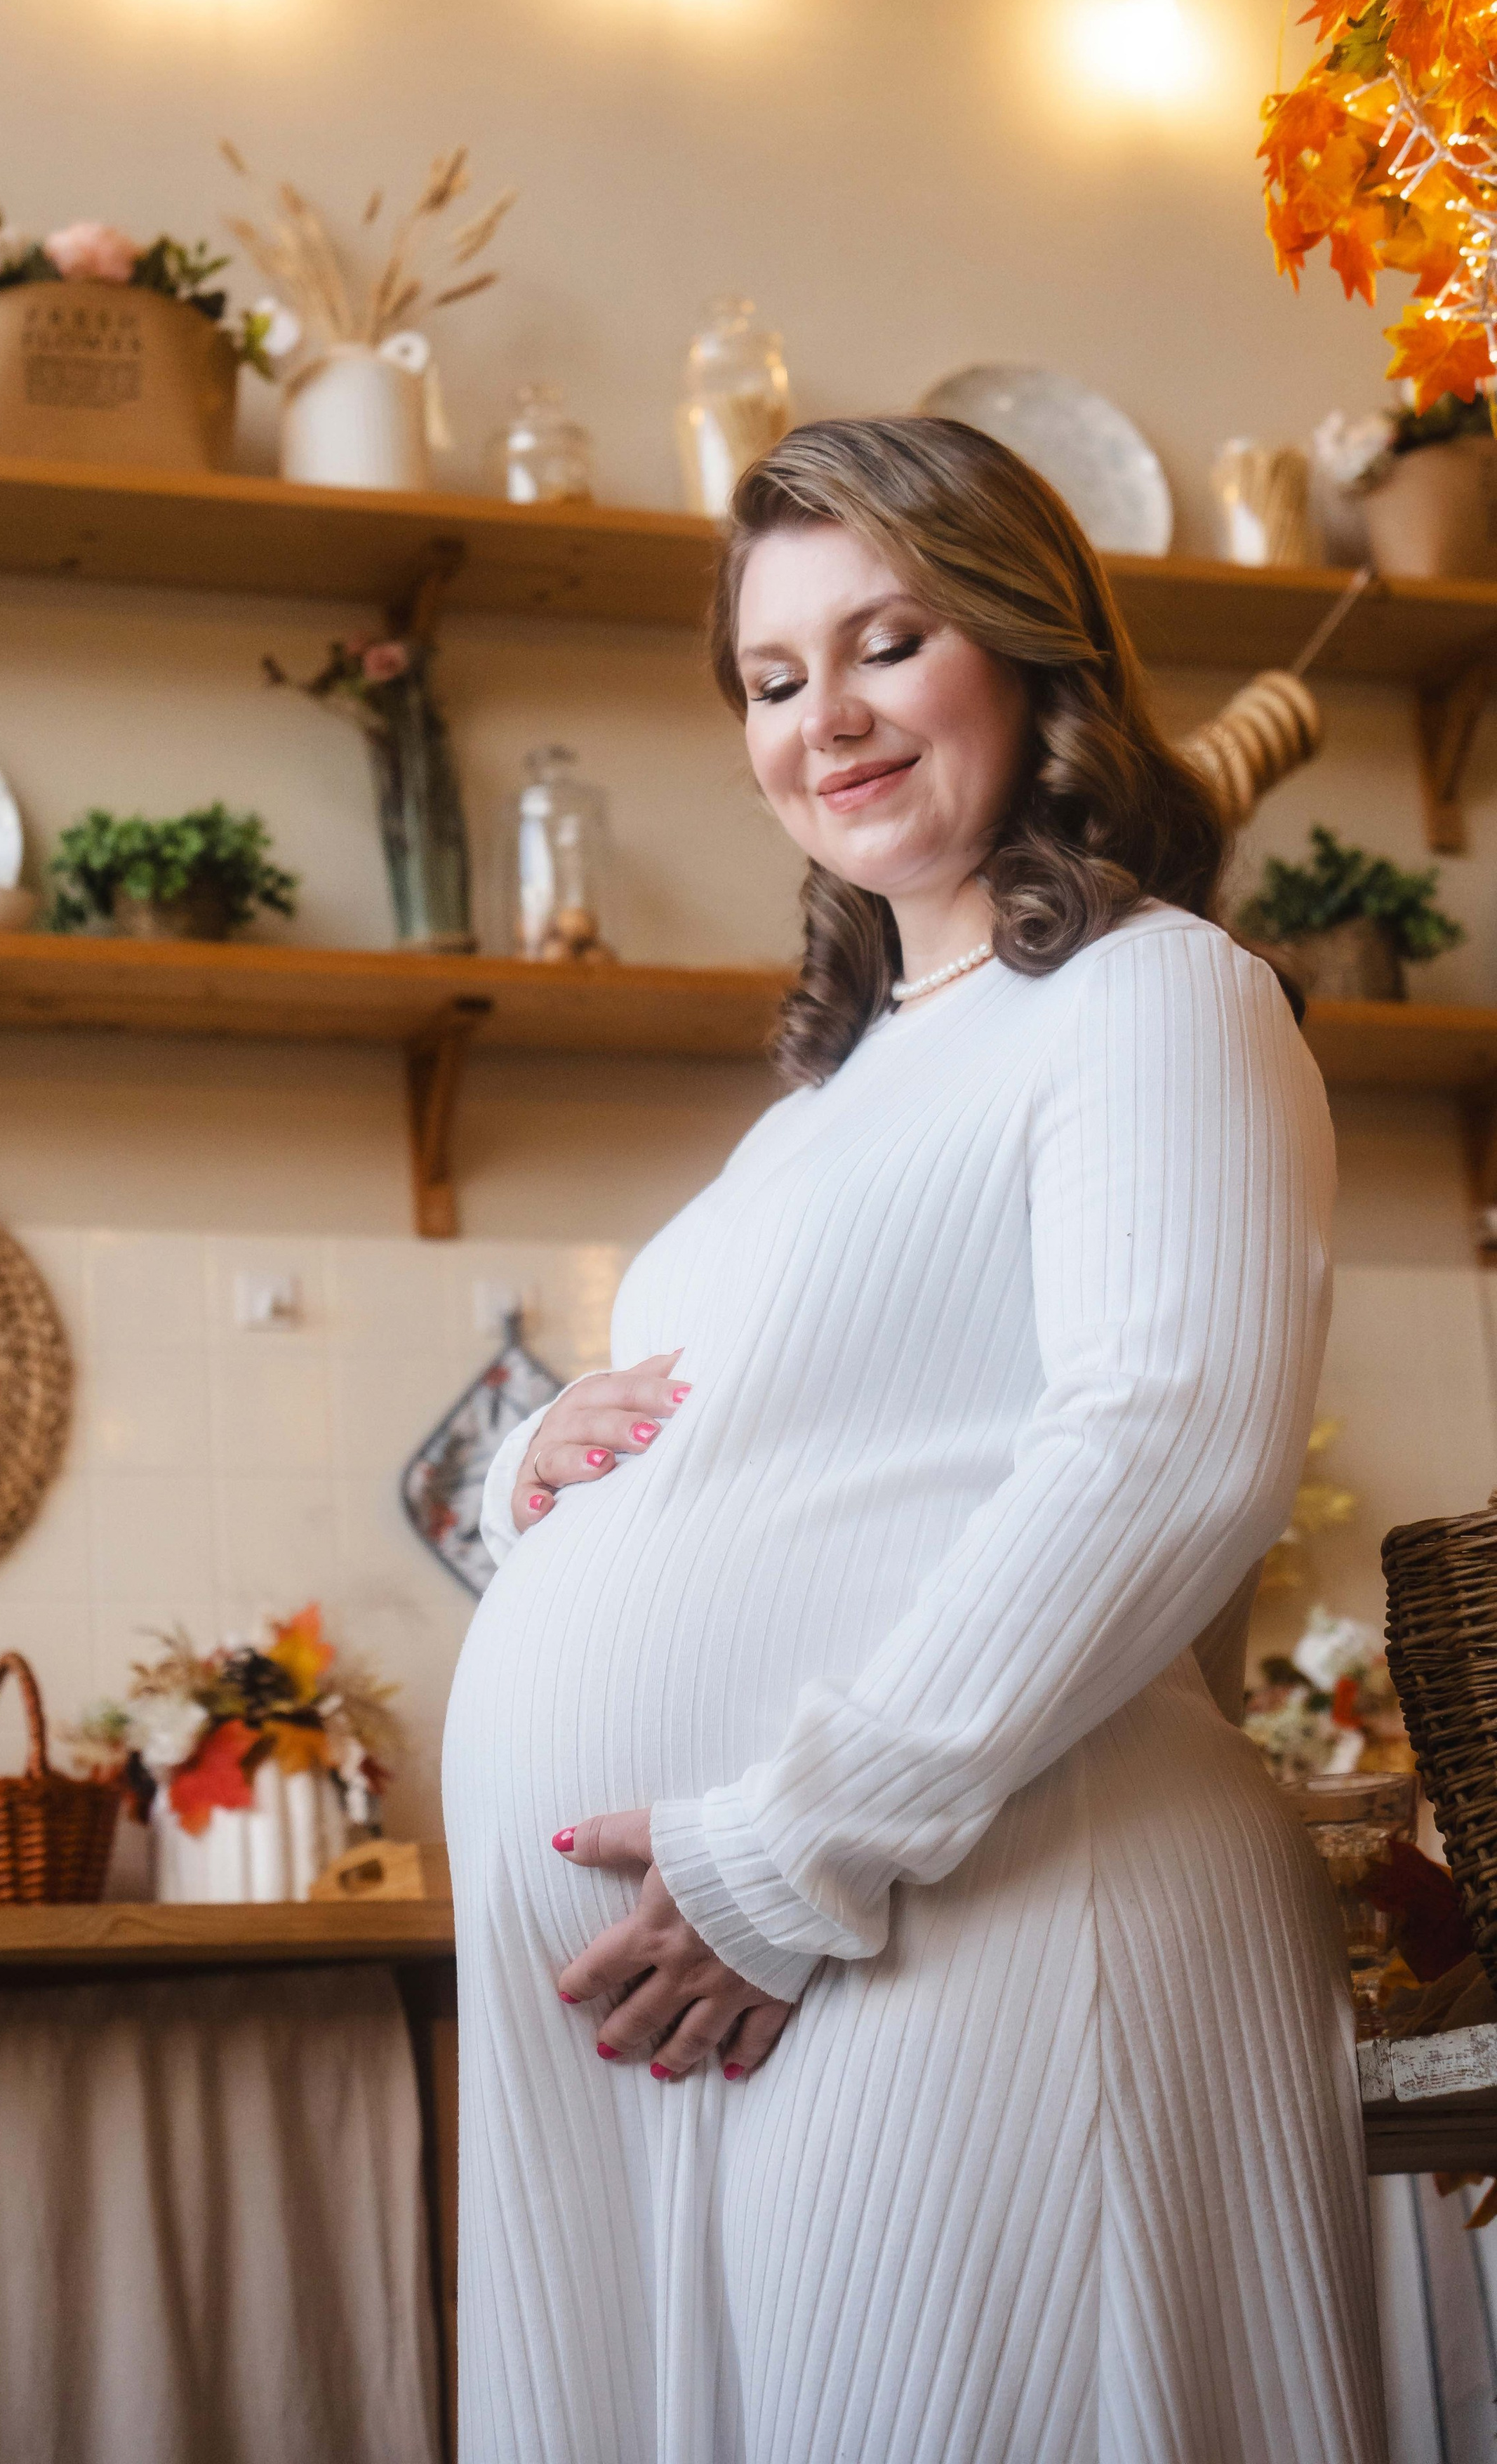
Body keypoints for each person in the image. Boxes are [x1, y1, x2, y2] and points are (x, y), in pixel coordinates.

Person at [441, 415, 1383, 2464]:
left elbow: (1168, 1443)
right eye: (775, 681)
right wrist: (539, 1488)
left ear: (1035, 656)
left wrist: (790, 1854)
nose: (825, 720)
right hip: (786, 1966)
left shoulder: (1158, 995)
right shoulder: (826, 1104)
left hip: (988, 1925)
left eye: (890, 643)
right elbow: (754, 1448)